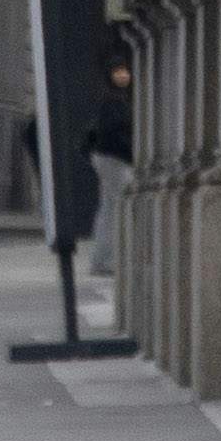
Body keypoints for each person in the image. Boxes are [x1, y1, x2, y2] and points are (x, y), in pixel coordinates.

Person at [83, 51, 134, 279]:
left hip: (106, 158)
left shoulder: (115, 98)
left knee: (108, 209)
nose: (123, 75)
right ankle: (109, 260)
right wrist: (133, 155)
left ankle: (102, 259)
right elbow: (113, 133)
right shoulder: (113, 100)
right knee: (121, 206)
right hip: (114, 158)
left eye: (124, 70)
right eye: (117, 71)